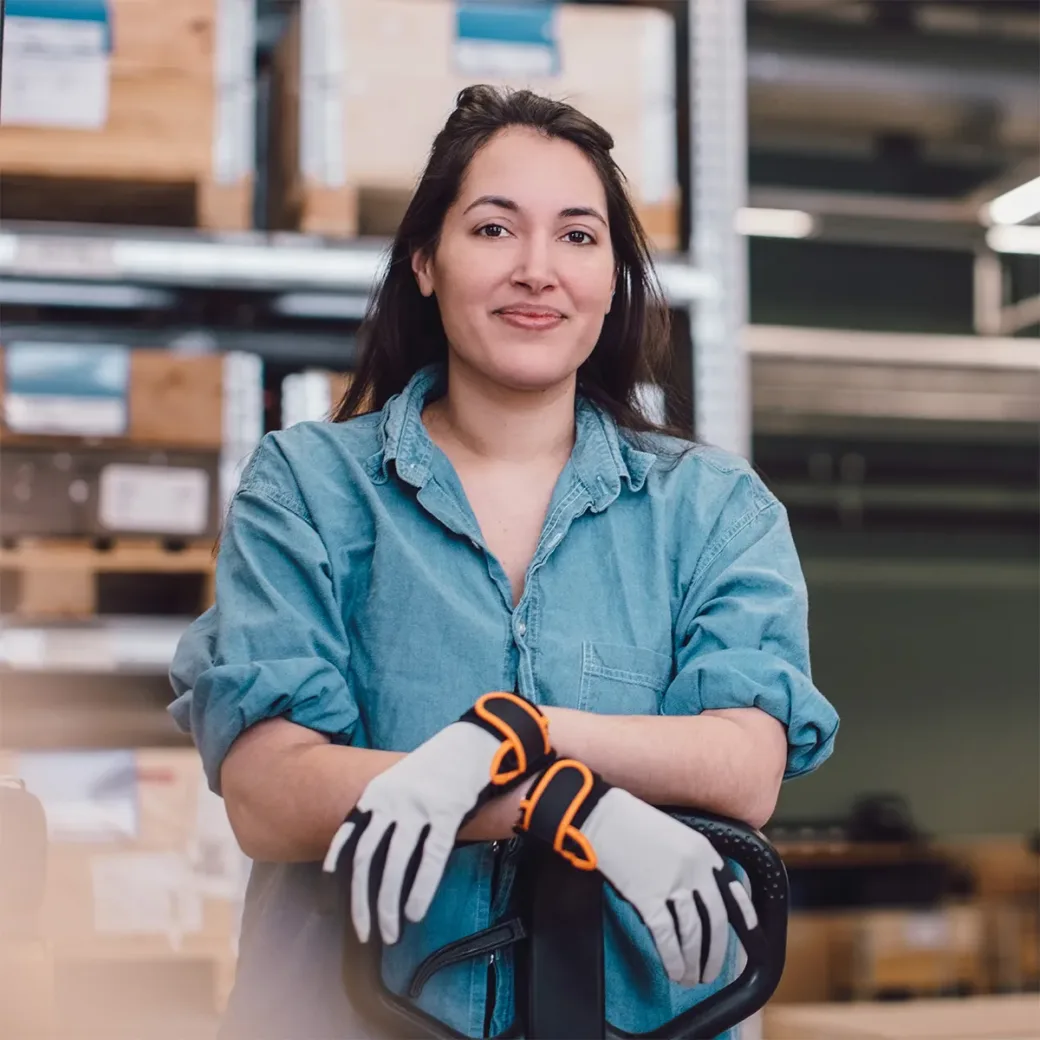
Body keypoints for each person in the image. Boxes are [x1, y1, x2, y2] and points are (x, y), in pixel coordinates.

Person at [169, 85, 839, 1040]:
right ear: (426, 263)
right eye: (493, 229)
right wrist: (556, 804)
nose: (538, 270)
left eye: (577, 236)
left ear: (612, 281)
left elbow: (742, 766)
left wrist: (511, 734)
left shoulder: (714, 509)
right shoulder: (308, 490)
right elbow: (270, 796)